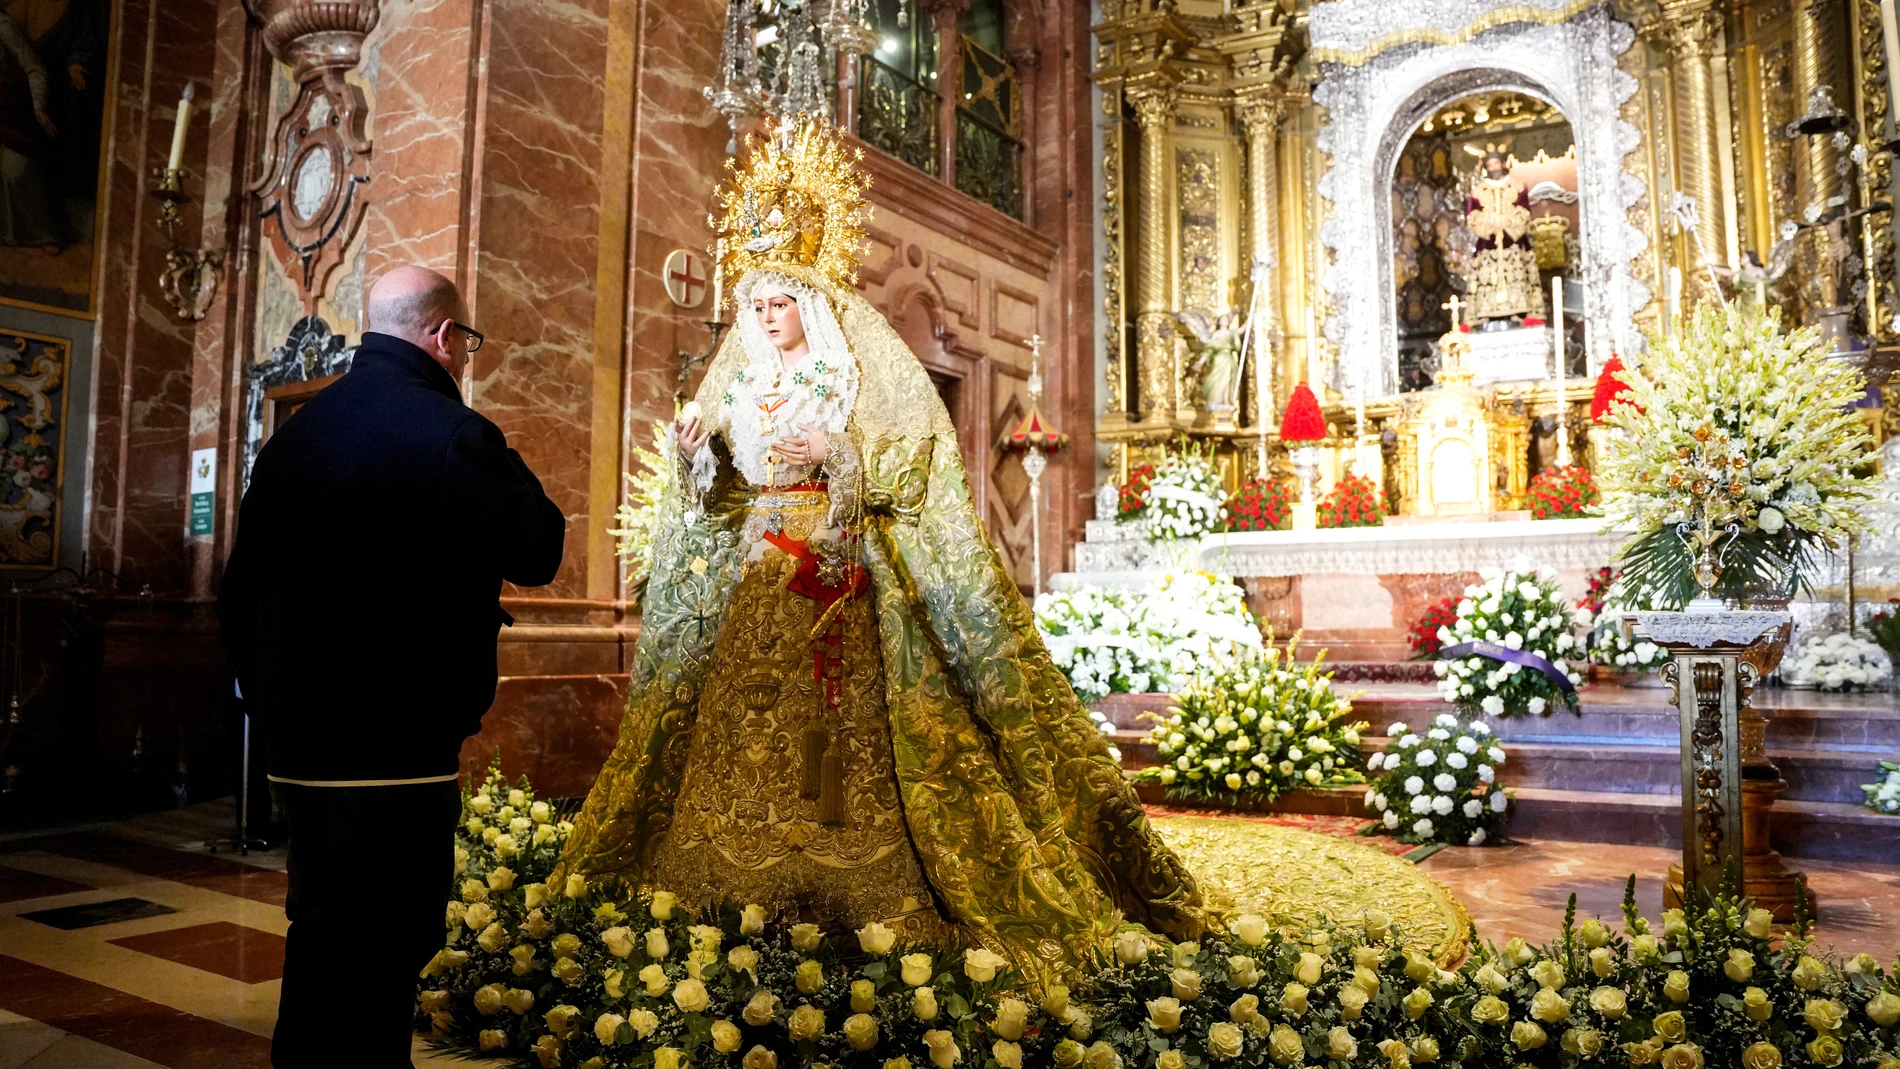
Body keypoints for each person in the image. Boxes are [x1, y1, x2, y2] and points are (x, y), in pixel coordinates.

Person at [553, 118, 1206, 987]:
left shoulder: (858, 370)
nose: (763, 318)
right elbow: (720, 503)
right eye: (753, 304)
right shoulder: (739, 380)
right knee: (746, 730)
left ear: (810, 303)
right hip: (759, 577)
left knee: (834, 735)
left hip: (836, 573)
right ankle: (733, 874)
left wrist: (839, 456)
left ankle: (837, 874)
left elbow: (917, 459)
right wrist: (694, 455)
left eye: (778, 302)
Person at [218, 266, 565, 1068]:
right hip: (400, 749)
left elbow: (240, 595)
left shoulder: (294, 437)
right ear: (443, 336)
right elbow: (539, 546)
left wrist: (273, 708)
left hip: (298, 754)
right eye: (465, 342)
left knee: (319, 924)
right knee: (386, 943)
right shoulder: (449, 432)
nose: (466, 358)